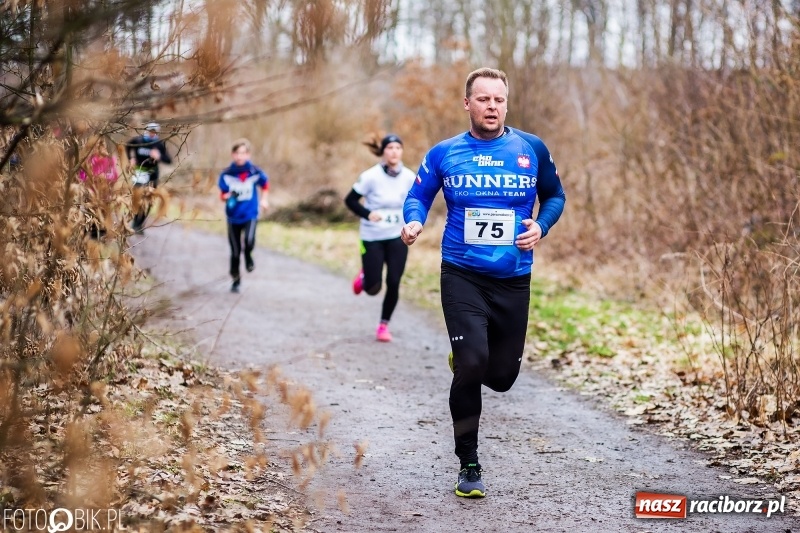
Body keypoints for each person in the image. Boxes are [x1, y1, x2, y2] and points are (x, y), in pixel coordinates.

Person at [400, 67, 566, 498]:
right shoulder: (445, 153)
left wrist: (541, 227)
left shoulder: (531, 148)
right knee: (473, 362)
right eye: (484, 99)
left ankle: (467, 360)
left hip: (513, 278)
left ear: (506, 104)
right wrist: (415, 222)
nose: (492, 106)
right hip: (462, 273)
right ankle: (468, 465)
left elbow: (555, 196)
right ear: (467, 103)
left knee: (503, 377)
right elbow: (418, 195)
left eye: (499, 99)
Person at [344, 134, 416, 342]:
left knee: (394, 281)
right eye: (390, 148)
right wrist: (368, 214)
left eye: (398, 147)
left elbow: (416, 202)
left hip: (397, 235)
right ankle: (366, 277)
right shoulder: (371, 176)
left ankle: (383, 325)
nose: (394, 151)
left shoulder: (409, 177)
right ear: (383, 152)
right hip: (372, 235)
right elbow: (350, 200)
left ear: (402, 151)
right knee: (373, 288)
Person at [217, 138, 270, 293]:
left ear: (248, 154)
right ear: (233, 155)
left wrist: (264, 200)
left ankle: (248, 256)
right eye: (237, 153)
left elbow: (265, 185)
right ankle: (236, 280)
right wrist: (226, 197)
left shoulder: (254, 171)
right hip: (233, 216)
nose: (240, 156)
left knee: (249, 241)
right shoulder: (227, 174)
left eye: (243, 153)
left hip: (250, 214)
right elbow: (222, 195)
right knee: (234, 252)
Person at [126, 122, 172, 234]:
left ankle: (139, 225)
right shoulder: (138, 140)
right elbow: (128, 146)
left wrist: (159, 156)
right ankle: (134, 222)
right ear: (146, 131)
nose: (152, 134)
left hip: (152, 175)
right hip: (139, 173)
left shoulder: (159, 144)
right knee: (138, 198)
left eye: (154, 132)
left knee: (149, 201)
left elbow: (169, 160)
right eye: (150, 131)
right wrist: (130, 158)